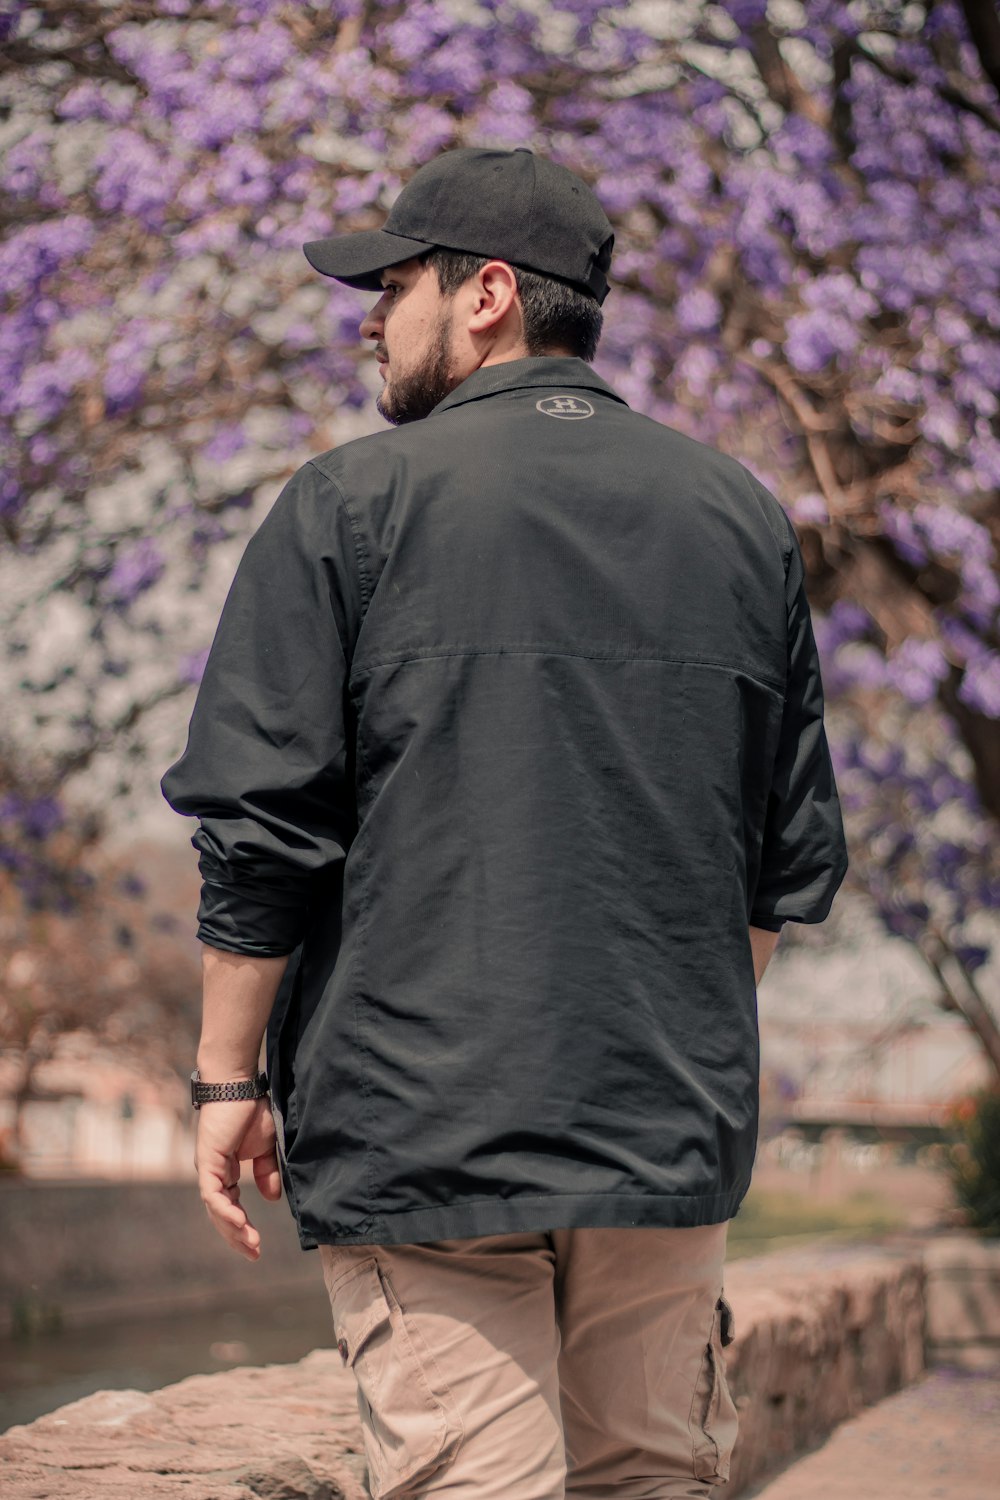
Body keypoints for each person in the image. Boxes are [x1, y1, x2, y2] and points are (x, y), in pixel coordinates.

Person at [161, 146, 848, 1499]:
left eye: (392, 284)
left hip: (429, 1132)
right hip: (661, 1130)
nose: (368, 316)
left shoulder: (350, 507)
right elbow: (781, 869)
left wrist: (228, 1082)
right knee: (650, 1477)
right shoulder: (742, 521)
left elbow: (261, 831)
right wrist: (662, 1044)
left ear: (485, 296)